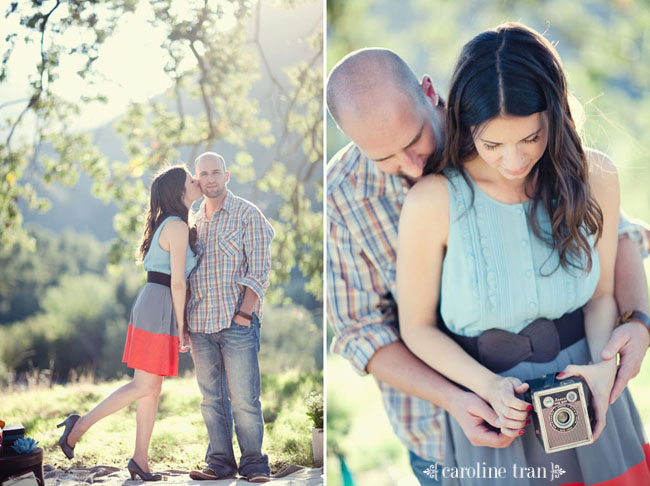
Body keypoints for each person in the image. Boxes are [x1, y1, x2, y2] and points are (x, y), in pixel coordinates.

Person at [326, 48, 650, 484]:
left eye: (413, 141)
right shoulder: (342, 198)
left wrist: (638, 325)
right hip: (442, 428)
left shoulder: (495, 123)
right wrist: (459, 396)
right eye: (384, 159)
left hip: (576, 402)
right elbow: (361, 330)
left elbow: (612, 236)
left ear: (430, 94)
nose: (412, 166)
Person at [57, 165, 202, 481]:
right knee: (144, 385)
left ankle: (140, 460)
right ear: (180, 192)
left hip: (153, 301)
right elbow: (178, 282)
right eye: (192, 179)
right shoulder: (176, 226)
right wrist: (181, 326)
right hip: (160, 305)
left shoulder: (172, 223)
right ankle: (78, 427)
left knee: (151, 388)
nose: (197, 182)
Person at [186, 152, 274, 483]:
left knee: (244, 400)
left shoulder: (247, 214)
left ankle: (254, 464)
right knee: (211, 400)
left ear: (227, 176)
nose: (210, 179)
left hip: (237, 322)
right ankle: (219, 462)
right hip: (200, 325)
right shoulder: (193, 221)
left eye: (215, 172)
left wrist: (243, 315)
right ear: (197, 179)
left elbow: (260, 270)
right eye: (203, 174)